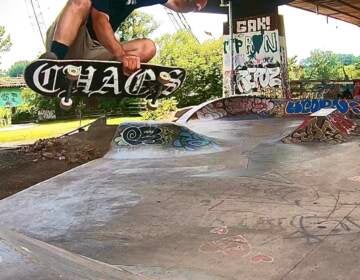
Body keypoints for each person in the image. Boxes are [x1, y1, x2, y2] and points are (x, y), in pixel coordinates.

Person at [43, 0, 208, 74]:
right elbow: (99, 21)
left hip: (96, 50)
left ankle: (103, 77)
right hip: (68, 40)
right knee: (82, 0)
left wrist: (196, 4)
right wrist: (121, 55)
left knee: (148, 47)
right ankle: (52, 61)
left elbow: (179, 4)